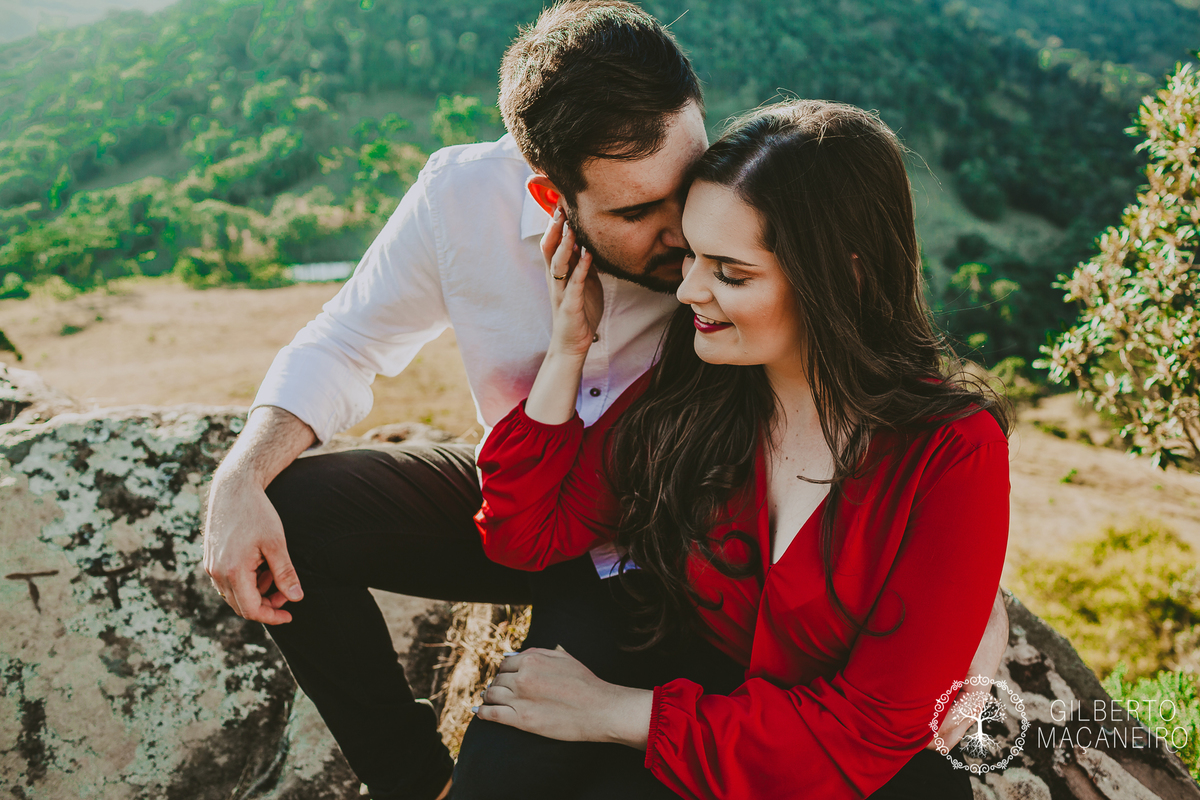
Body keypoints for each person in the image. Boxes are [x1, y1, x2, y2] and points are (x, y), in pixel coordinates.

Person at [201, 2, 1007, 798]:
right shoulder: (473, 213)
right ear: (556, 199)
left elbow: (886, 411)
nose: (683, 253)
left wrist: (973, 604)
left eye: (688, 199)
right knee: (296, 509)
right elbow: (350, 348)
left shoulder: (742, 243)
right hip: (563, 493)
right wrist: (240, 477)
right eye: (638, 213)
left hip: (652, 563)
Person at [470, 100, 1012, 799]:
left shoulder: (951, 450)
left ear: (843, 277)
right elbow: (527, 534)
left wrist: (614, 712)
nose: (690, 289)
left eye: (730, 272)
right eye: (692, 254)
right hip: (712, 743)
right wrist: (568, 347)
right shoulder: (701, 385)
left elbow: (873, 731)